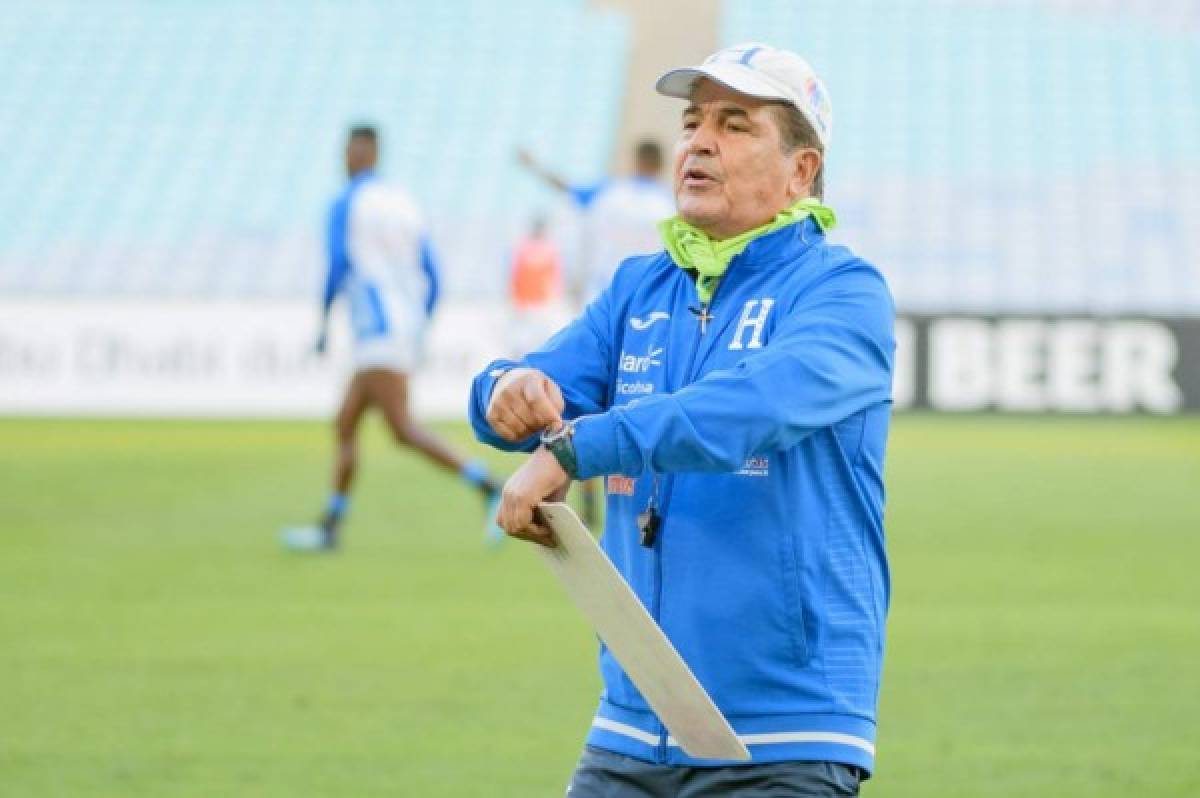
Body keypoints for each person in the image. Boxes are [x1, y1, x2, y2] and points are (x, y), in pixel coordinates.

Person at [469, 43, 894, 796]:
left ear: (802, 170)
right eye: (694, 121)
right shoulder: (641, 287)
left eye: (735, 125)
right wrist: (506, 389)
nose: (698, 140)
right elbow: (523, 385)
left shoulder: (844, 293)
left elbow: (745, 412)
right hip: (633, 725)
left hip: (786, 736)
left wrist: (572, 449)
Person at [282, 125, 501, 551]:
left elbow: (338, 263)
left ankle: (489, 486)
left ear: (357, 153)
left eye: (347, 152)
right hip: (400, 326)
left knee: (402, 428)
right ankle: (331, 525)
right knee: (347, 421)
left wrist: (324, 323)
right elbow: (434, 277)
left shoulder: (347, 201)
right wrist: (419, 325)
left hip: (375, 329)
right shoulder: (404, 203)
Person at [517, 139, 674, 527]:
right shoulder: (668, 206)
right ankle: (644, 504)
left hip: (602, 313)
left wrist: (534, 164)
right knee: (642, 412)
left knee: (588, 411)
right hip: (652, 320)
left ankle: (583, 499)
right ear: (661, 165)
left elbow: (567, 188)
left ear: (635, 160)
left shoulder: (609, 195)